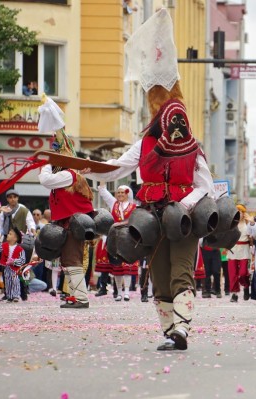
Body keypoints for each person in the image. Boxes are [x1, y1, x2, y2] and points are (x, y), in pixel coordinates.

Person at [83, 8, 215, 351]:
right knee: (159, 276)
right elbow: (115, 168)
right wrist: (82, 167)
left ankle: (183, 329)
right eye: (167, 118)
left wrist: (182, 206)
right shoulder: (144, 145)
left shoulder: (193, 149)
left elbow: (207, 188)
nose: (173, 124)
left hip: (184, 221)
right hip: (151, 217)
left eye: (177, 118)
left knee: (182, 271)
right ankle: (171, 330)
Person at [38, 97, 95, 309]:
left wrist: (47, 162)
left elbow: (45, 180)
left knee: (72, 260)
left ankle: (81, 298)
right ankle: (76, 296)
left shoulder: (69, 175)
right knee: (68, 261)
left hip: (74, 223)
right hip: (69, 223)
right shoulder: (70, 174)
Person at [97, 183, 138, 301]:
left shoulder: (134, 206)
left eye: (122, 192)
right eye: (118, 192)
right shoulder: (113, 203)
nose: (120, 194)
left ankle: (126, 292)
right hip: (115, 238)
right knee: (117, 267)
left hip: (128, 238)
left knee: (127, 266)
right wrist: (102, 183)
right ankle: (119, 292)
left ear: (127, 194)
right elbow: (105, 194)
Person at [0, 227, 26, 302]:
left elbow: (23, 260)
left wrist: (14, 261)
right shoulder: (4, 245)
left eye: (10, 234)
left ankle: (16, 295)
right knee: (7, 281)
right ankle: (9, 296)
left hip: (15, 268)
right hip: (6, 267)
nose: (8, 235)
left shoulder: (20, 249)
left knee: (15, 281)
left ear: (15, 238)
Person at [227, 204, 251, 302]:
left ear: (243, 213)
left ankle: (246, 286)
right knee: (232, 273)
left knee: (243, 273)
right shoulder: (230, 224)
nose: (238, 214)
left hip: (244, 249)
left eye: (240, 212)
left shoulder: (248, 224)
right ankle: (234, 294)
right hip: (232, 250)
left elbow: (252, 236)